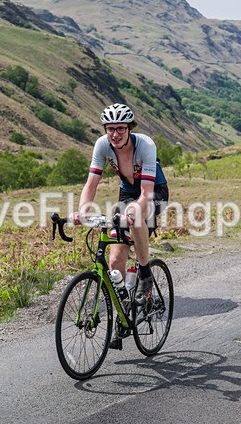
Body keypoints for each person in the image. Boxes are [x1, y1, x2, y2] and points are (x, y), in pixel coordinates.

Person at [72, 104, 169, 343]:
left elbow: (146, 193)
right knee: (115, 261)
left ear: (129, 129)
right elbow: (91, 183)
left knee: (135, 214)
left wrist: (134, 210)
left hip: (154, 192)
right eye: (110, 129)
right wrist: (83, 210)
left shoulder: (145, 145)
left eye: (121, 129)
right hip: (127, 194)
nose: (115, 134)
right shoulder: (102, 145)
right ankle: (125, 309)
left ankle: (145, 273)